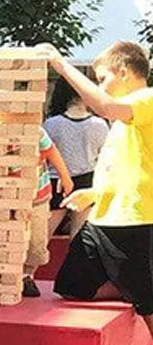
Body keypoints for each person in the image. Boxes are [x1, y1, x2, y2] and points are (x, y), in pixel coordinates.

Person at [35, 41, 153, 345]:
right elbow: (124, 168)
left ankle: (139, 293)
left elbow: (102, 104)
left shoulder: (146, 99)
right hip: (104, 217)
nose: (99, 86)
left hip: (133, 221)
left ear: (123, 72)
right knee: (71, 284)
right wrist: (91, 193)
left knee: (150, 309)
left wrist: (60, 64)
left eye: (102, 78)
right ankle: (132, 289)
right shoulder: (122, 121)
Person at [0, 87, 74, 297]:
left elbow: (51, 152)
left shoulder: (33, 133)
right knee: (7, 242)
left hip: (37, 197)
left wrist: (65, 178)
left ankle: (28, 275)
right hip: (7, 203)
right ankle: (3, 279)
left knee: (36, 244)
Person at [43, 78, 110, 240]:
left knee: (42, 236)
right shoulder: (100, 124)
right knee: (79, 238)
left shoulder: (51, 124)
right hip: (87, 180)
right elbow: (105, 157)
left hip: (56, 180)